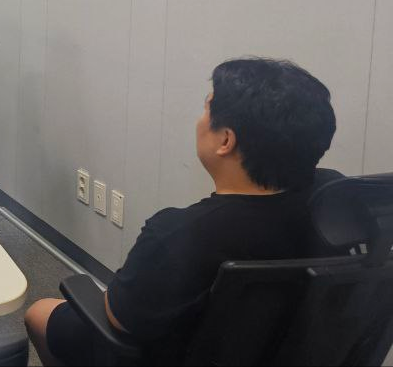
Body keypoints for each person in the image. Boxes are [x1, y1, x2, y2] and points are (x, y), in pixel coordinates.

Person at [24, 58, 337, 365]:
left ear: (226, 140)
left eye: (207, 108)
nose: (200, 121)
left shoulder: (180, 232)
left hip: (174, 354)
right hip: (288, 349)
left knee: (40, 312)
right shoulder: (337, 206)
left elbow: (120, 321)